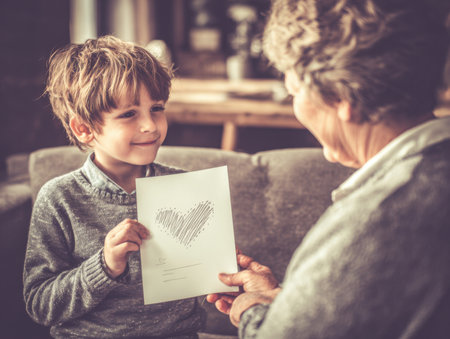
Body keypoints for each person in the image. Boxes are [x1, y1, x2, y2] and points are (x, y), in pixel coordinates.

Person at [207, 0, 450, 338]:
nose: (296, 107)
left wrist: (252, 311)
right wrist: (290, 301)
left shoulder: (379, 217)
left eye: (294, 91)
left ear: (339, 98)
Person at [23, 36, 205, 338]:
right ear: (84, 129)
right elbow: (40, 304)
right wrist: (104, 267)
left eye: (157, 108)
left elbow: (198, 286)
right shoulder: (59, 199)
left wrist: (219, 269)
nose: (151, 125)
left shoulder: (184, 188)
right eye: (129, 114)